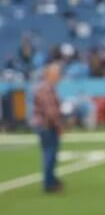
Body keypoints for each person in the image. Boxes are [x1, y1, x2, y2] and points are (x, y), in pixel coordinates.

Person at [30, 62, 63, 194]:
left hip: (45, 124)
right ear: (49, 75)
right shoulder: (46, 89)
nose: (59, 77)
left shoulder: (47, 88)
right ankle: (49, 183)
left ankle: (51, 179)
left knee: (51, 153)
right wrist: (58, 125)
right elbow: (51, 112)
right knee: (50, 153)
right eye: (57, 74)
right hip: (47, 125)